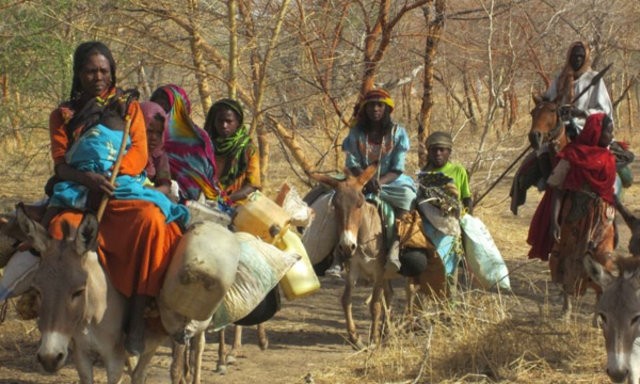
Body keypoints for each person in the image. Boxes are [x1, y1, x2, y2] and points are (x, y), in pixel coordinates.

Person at [46, 41, 188, 356]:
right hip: (79, 190)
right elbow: (60, 163)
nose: (97, 77)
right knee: (59, 231)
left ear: (112, 72)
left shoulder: (130, 107)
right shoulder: (63, 114)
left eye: (103, 71)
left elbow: (138, 152)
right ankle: (59, 319)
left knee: (151, 220)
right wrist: (88, 178)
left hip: (121, 187)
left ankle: (138, 314)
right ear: (79, 74)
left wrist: (113, 176)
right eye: (90, 71)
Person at [334, 89, 417, 275]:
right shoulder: (356, 133)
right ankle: (337, 255)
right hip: (360, 180)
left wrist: (379, 181)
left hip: (391, 181)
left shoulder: (398, 133)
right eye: (371, 105)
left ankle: (395, 246)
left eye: (380, 105)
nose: (376, 109)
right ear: (365, 109)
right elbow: (351, 163)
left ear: (387, 109)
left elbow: (398, 167)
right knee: (340, 198)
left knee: (408, 196)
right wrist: (365, 180)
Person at [547, 112, 616, 296]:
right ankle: (568, 305)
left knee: (604, 258)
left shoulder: (609, 157)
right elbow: (558, 189)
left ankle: (600, 305)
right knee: (570, 258)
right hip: (576, 216)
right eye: (608, 132)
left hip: (602, 217)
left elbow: (610, 193)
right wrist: (555, 222)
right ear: (596, 132)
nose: (611, 136)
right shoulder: (572, 155)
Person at [150, 85, 223, 203]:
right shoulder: (147, 133)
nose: (162, 114)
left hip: (198, 201)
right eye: (157, 108)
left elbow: (207, 176)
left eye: (166, 108)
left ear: (179, 110)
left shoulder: (199, 138)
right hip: (159, 195)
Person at [544, 41, 613, 139]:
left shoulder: (593, 78)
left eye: (581, 56)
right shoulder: (560, 78)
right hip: (559, 127)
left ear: (586, 58)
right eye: (574, 55)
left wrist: (581, 113)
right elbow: (548, 101)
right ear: (569, 57)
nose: (577, 58)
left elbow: (605, 110)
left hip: (584, 128)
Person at [203, 98, 261, 204]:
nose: (224, 126)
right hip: (207, 201)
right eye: (220, 121)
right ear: (214, 122)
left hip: (237, 205)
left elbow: (253, 185)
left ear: (238, 123)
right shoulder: (205, 146)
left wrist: (226, 200)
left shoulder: (248, 149)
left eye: (229, 121)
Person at [420, 131, 473, 214]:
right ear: (429, 152)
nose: (438, 153)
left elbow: (466, 198)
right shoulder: (424, 174)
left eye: (442, 150)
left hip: (454, 216)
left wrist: (468, 219)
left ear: (449, 152)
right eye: (434, 150)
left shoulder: (458, 170)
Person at [140, 101, 173, 196]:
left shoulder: (159, 155)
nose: (154, 137)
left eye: (159, 133)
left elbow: (166, 186)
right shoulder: (125, 148)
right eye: (149, 131)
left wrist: (148, 192)